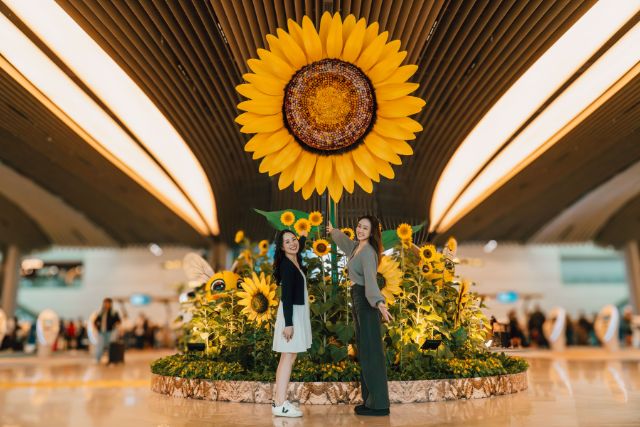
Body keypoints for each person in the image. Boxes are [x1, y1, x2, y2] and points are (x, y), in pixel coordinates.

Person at [328, 216, 393, 416]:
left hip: (366, 301)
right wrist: (333, 231)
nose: (360, 230)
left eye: (365, 228)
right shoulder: (358, 248)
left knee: (372, 352)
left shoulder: (368, 253)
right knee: (365, 351)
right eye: (358, 226)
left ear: (372, 232)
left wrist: (379, 304)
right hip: (358, 299)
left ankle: (380, 405)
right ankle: (371, 401)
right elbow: (348, 245)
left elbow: (371, 281)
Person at [271, 227, 310, 418]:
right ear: (281, 247)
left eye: (293, 239)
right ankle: (280, 403)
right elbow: (286, 296)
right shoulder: (287, 265)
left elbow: (300, 242)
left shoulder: (294, 260)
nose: (293, 243)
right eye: (287, 242)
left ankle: (278, 401)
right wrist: (288, 323)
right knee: (288, 356)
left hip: (296, 313)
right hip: (291, 314)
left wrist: (303, 235)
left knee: (288, 356)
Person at [93, 298, 121, 363]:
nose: (106, 304)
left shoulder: (114, 313)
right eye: (105, 303)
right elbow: (95, 321)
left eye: (108, 303)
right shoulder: (101, 313)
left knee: (110, 346)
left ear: (110, 304)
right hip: (101, 332)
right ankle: (98, 359)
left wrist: (115, 326)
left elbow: (118, 321)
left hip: (110, 332)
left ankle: (111, 359)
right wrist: (97, 328)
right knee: (100, 346)